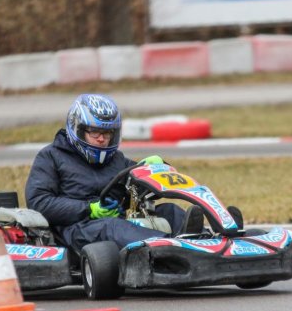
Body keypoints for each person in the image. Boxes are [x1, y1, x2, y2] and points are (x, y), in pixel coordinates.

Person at [25, 93, 200, 251]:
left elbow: (140, 184)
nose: (101, 139)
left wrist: (157, 166)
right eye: (94, 132)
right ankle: (169, 249)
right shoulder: (51, 157)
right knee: (112, 227)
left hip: (119, 221)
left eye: (107, 133)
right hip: (75, 228)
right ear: (77, 128)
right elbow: (39, 202)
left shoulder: (116, 159)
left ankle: (202, 242)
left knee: (170, 211)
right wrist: (89, 209)